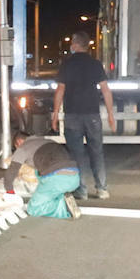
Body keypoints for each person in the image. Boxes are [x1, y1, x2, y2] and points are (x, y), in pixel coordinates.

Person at [51, 30, 116, 200]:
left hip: (73, 115)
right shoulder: (95, 64)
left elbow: (60, 90)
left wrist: (55, 113)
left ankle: (82, 190)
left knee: (76, 154)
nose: (70, 44)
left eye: (72, 41)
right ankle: (102, 189)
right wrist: (110, 114)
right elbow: (105, 90)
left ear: (76, 44)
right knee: (97, 151)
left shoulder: (67, 64)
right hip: (92, 115)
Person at [3, 132, 82, 219]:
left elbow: (11, 172)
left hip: (57, 179)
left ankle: (64, 208)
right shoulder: (48, 141)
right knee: (39, 172)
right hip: (75, 178)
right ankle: (62, 195)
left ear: (18, 141)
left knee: (33, 209)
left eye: (16, 146)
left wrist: (9, 192)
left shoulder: (23, 148)